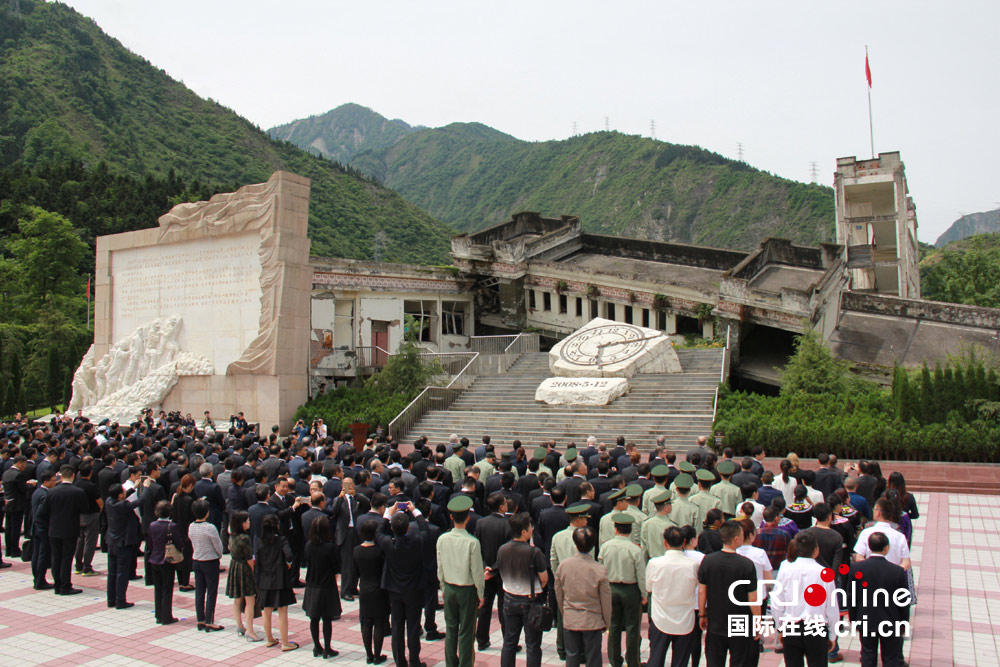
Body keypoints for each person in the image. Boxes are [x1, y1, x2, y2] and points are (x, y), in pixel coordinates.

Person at [698, 520, 760, 666]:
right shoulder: (746, 565)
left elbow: (702, 591)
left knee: (714, 662)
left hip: (715, 622)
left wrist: (702, 614)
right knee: (739, 661)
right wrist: (757, 623)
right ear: (737, 539)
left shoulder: (708, 561)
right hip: (740, 624)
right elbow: (753, 598)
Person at [771, 531, 839, 667]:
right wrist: (832, 635)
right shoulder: (824, 574)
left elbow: (776, 604)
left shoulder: (785, 571)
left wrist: (780, 628)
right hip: (816, 628)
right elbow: (832, 608)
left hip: (791, 627)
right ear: (816, 550)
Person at [376, 500, 429, 667]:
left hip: (394, 591)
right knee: (413, 627)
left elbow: (378, 531)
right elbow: (425, 529)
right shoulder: (417, 542)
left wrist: (388, 514)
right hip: (414, 590)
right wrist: (415, 511)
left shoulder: (388, 544)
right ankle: (415, 661)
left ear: (392, 528)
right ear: (408, 528)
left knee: (397, 627)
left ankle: (400, 661)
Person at [436, 494, 485, 667]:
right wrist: (481, 593)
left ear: (451, 517)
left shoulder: (442, 539)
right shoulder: (472, 542)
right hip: (467, 590)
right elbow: (477, 571)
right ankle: (465, 663)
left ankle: (450, 663)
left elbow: (440, 567)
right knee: (466, 632)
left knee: (451, 630)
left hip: (449, 587)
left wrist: (443, 586)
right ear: (468, 517)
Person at [849, 532, 910, 667]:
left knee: (867, 654)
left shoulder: (856, 568)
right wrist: (904, 622)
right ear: (886, 548)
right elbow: (904, 601)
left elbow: (851, 596)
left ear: (869, 547)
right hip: (891, 620)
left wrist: (853, 619)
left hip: (865, 619)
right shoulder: (897, 571)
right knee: (890, 657)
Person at [495, 512, 548, 667]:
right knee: (532, 645)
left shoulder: (502, 549)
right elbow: (544, 579)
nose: (532, 530)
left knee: (509, 642)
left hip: (509, 599)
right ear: (524, 532)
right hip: (530, 601)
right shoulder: (534, 552)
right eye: (530, 527)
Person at [555, 527, 612, 667]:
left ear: (575, 544)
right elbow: (606, 600)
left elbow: (558, 593)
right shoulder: (599, 569)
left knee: (572, 656)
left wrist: (565, 612)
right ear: (593, 545)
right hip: (592, 619)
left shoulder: (563, 565)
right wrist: (606, 621)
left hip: (570, 617)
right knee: (593, 657)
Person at [646, 526, 699, 667]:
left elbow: (648, 588)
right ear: (684, 542)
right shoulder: (693, 565)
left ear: (665, 542)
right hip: (685, 619)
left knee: (656, 659)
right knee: (681, 662)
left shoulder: (654, 563)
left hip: (660, 618)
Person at [598, 513, 646, 667]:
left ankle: (614, 660)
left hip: (611, 588)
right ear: (630, 530)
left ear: (615, 529)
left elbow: (600, 569)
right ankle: (633, 661)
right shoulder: (635, 549)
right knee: (633, 627)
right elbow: (641, 575)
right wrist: (644, 594)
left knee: (614, 626)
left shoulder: (605, 546)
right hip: (630, 589)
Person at [40, 465, 87, 596]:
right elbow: (84, 509)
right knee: (67, 558)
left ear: (61, 476)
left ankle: (58, 585)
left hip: (54, 529)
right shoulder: (78, 492)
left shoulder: (51, 491)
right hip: (70, 529)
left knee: (56, 558)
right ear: (73, 476)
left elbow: (44, 510)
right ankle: (65, 586)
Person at [474, 492, 512, 651]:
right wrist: (495, 568)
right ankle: (509, 641)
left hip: (486, 572)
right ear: (502, 506)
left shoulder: (481, 523)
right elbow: (509, 550)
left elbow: (478, 547)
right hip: (502, 573)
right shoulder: (508, 524)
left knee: (484, 606)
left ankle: (482, 640)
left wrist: (485, 567)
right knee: (505, 609)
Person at [256, 513, 298, 651]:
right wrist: (288, 563)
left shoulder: (259, 541)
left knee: (266, 611)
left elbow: (258, 564)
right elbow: (290, 555)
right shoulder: (281, 540)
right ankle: (285, 642)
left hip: (265, 579)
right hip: (281, 579)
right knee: (282, 611)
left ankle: (270, 639)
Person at [303, 516, 342, 658]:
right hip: (327, 586)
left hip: (312, 585)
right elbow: (336, 567)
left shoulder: (308, 545)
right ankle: (327, 648)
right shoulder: (330, 547)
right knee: (327, 619)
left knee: (313, 618)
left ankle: (316, 646)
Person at [355, 519, 389, 665]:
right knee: (379, 623)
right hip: (379, 589)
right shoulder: (380, 551)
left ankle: (368, 655)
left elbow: (355, 571)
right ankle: (377, 655)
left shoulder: (356, 550)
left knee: (366, 623)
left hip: (364, 589)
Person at [225, 510, 263, 642]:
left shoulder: (232, 536)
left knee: (237, 598)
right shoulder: (245, 538)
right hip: (244, 569)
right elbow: (249, 558)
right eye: (247, 521)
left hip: (234, 566)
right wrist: (252, 569)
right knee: (250, 601)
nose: (249, 523)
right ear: (242, 523)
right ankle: (250, 631)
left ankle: (240, 625)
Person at [189, 498, 225, 631]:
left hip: (197, 560)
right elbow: (218, 546)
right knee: (211, 591)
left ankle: (200, 619)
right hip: (210, 561)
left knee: (199, 591)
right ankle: (209, 620)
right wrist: (219, 555)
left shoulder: (191, 526)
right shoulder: (210, 527)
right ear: (206, 512)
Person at [105, 482, 143, 608]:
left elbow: (125, 498)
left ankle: (111, 599)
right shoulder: (123, 505)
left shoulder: (109, 501)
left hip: (112, 541)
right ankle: (120, 600)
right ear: (120, 495)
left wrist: (133, 488)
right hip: (123, 543)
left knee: (112, 573)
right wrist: (146, 488)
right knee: (122, 573)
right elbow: (139, 501)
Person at [147, 500, 184, 624]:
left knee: (158, 589)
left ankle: (158, 615)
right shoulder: (172, 526)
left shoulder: (152, 525)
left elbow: (150, 543)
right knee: (167, 589)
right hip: (167, 560)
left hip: (154, 559)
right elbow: (179, 543)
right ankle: (167, 616)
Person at [29, 470, 57, 590]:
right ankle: (40, 580)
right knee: (42, 555)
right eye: (53, 481)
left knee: (37, 554)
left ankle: (37, 578)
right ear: (46, 481)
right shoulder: (44, 495)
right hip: (42, 529)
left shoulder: (37, 492)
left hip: (35, 527)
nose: (55, 483)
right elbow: (41, 512)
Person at [171, 474, 197, 591]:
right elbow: (192, 516)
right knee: (186, 558)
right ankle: (185, 583)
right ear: (190, 485)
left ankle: (181, 581)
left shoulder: (176, 497)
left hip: (176, 530)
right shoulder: (189, 500)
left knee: (178, 557)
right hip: (186, 532)